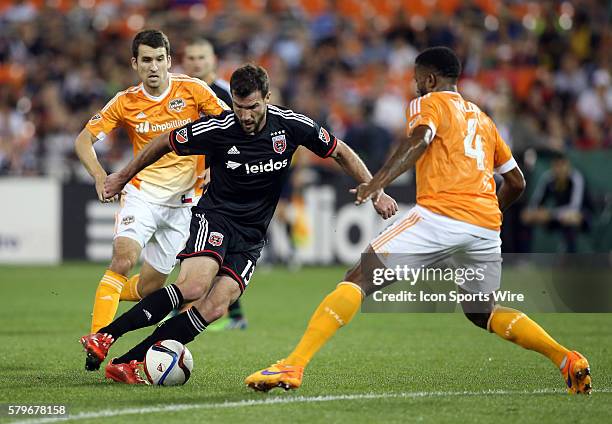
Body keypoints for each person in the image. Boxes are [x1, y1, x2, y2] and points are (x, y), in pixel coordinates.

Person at [245, 47, 592, 395]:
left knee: (358, 279)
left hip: (440, 216)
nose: (414, 86)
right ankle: (565, 357)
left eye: (416, 80)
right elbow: (516, 181)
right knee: (481, 310)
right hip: (485, 227)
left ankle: (294, 364)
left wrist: (377, 182)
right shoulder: (483, 119)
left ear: (429, 79)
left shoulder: (428, 103)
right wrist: (488, 216)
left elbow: (420, 139)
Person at [81, 64, 399, 384]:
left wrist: (375, 191)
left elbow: (340, 151)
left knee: (217, 307)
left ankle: (128, 363)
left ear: (267, 98)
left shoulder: (290, 125)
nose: (245, 116)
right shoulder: (218, 128)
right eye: (238, 106)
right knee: (193, 286)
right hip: (217, 217)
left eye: (253, 107)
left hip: (252, 234)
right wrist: (122, 175)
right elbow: (165, 141)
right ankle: (106, 336)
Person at [76, 29, 228, 370]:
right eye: (147, 60)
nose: (154, 67)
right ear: (135, 64)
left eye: (160, 59)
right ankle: (98, 339)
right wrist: (101, 177)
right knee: (124, 257)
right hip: (141, 195)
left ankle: (110, 293)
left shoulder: (193, 89)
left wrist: (215, 167)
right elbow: (83, 141)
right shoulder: (124, 101)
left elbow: (228, 126)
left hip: (185, 206)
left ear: (169, 61)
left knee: (150, 287)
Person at [182, 38, 247, 330]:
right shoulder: (179, 94)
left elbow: (242, 139)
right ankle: (227, 314)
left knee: (213, 247)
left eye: (201, 57)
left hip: (218, 182)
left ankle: (216, 312)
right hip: (182, 180)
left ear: (214, 60)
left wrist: (220, 171)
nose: (196, 63)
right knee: (193, 246)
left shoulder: (224, 96)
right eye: (191, 57)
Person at [521, 151, 591, 253]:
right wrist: (535, 213)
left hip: (582, 215)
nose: (560, 170)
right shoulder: (548, 178)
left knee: (569, 218)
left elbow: (574, 207)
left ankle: (570, 258)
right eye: (556, 166)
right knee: (526, 216)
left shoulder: (576, 178)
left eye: (562, 165)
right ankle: (524, 258)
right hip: (557, 216)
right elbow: (535, 204)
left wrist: (549, 213)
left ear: (568, 165)